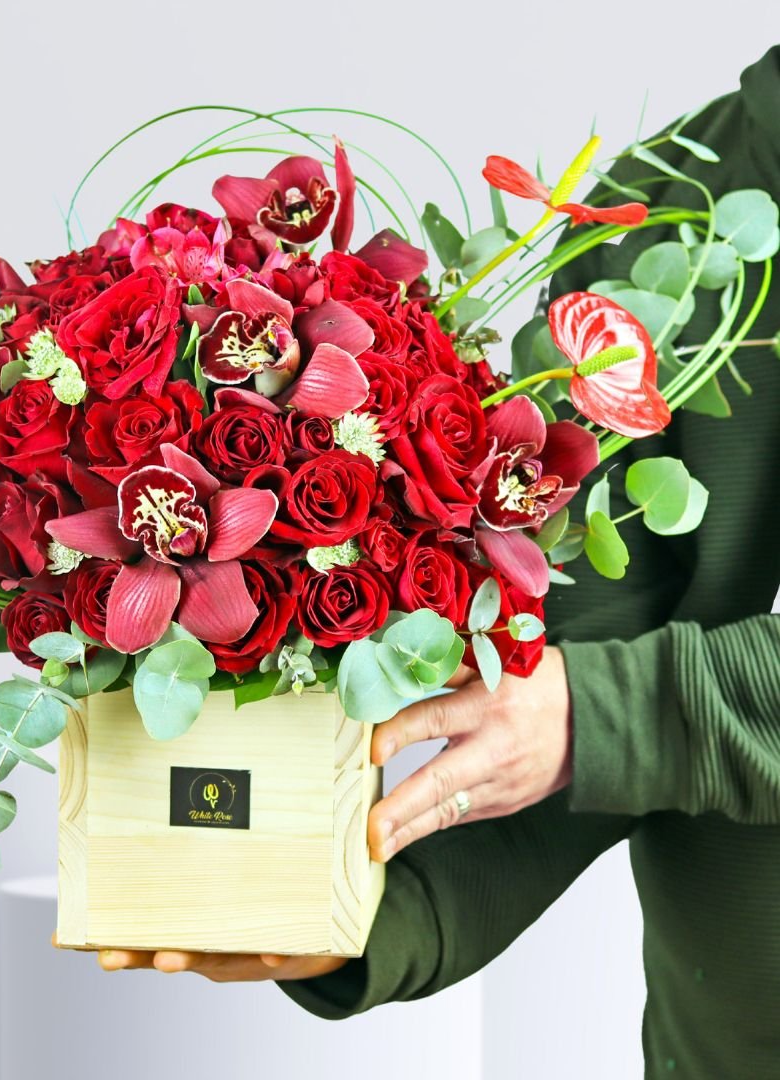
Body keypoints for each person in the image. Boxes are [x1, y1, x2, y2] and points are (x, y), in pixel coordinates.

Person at [99, 45, 780, 1079]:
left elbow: (605, 713)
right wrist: (355, 909)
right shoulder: (679, 214)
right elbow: (573, 691)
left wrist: (609, 713)